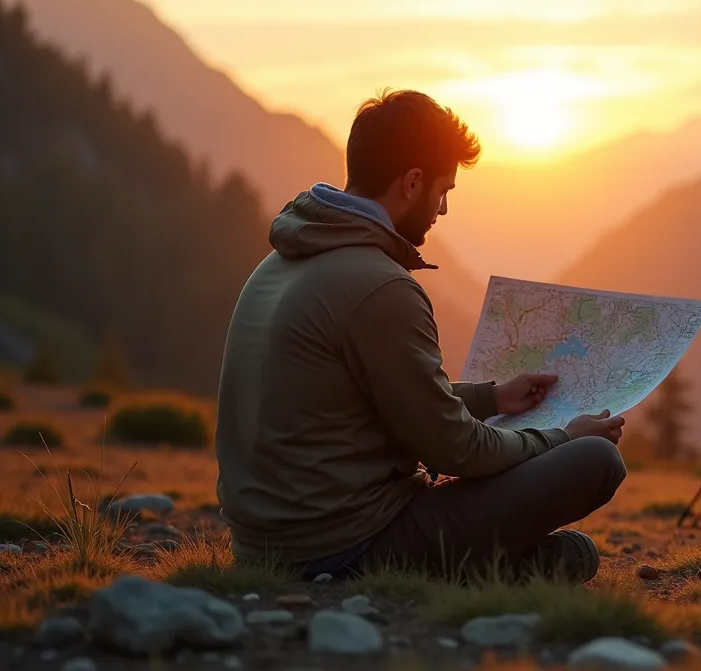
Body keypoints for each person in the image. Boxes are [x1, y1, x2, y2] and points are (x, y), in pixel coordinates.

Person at [213, 89, 628, 584]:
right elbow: (456, 452)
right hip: (345, 544)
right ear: (412, 182)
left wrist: (491, 396)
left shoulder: (278, 263)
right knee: (596, 459)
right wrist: (563, 437)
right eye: (443, 189)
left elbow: (362, 401)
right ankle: (491, 571)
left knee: (569, 537)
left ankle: (507, 567)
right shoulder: (380, 286)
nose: (444, 209)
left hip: (264, 544)